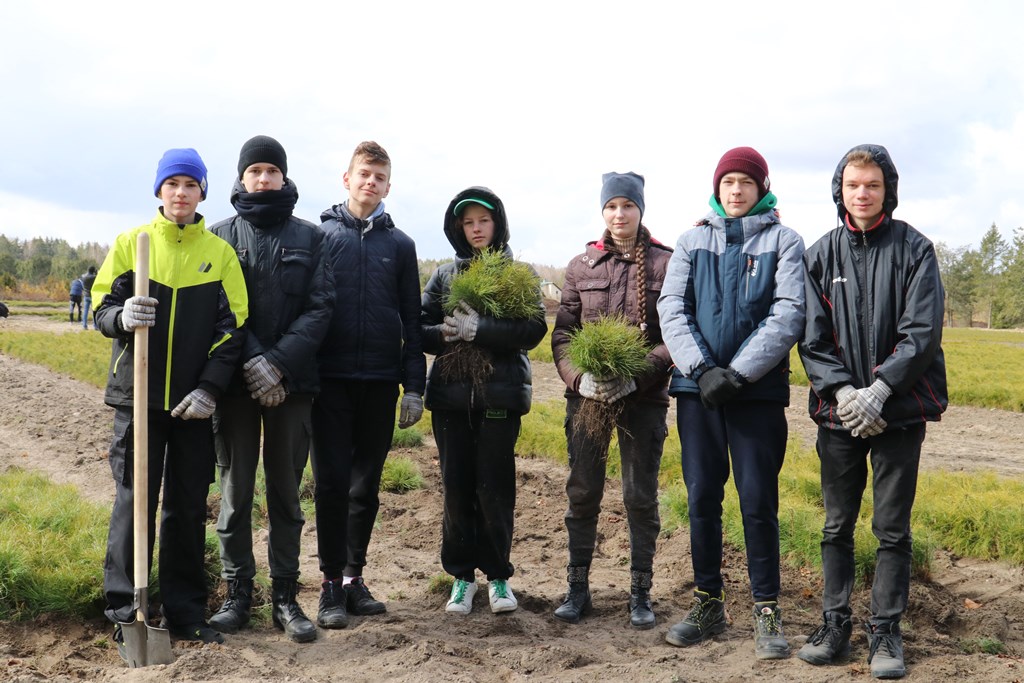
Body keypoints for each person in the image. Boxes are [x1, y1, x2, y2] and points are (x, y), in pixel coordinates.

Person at [796, 144, 947, 680]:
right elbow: (812, 340)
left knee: (891, 529)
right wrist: (843, 394)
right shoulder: (819, 254)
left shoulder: (915, 250)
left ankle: (885, 631)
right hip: (839, 418)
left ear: (888, 190)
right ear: (840, 189)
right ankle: (834, 623)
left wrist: (880, 392)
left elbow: (922, 333)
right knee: (836, 525)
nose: (862, 194)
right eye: (853, 184)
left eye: (873, 185)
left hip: (898, 413)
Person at [93, 148, 248, 653]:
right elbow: (100, 307)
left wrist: (209, 389)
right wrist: (122, 317)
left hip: (191, 407)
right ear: (159, 190)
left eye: (190, 184)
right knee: (134, 500)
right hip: (136, 399)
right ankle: (124, 609)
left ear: (203, 192)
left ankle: (184, 613)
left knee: (185, 506)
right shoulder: (130, 244)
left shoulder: (219, 253)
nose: (180, 193)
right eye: (172, 184)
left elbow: (233, 331)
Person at [656, 147, 805, 659]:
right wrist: (701, 370)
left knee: (757, 499)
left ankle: (766, 608)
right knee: (702, 497)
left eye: (746, 181)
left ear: (761, 187)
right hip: (698, 395)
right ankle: (708, 602)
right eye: (728, 182)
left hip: (756, 395)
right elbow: (672, 308)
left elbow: (788, 311)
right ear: (716, 189)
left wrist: (738, 374)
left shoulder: (785, 241)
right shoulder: (691, 241)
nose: (736, 190)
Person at [207, 135, 334, 643]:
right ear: (241, 178)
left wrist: (278, 364)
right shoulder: (217, 239)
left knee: (285, 494)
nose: (263, 179)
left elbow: (321, 306)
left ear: (284, 178)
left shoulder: (311, 238)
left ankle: (285, 597)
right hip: (234, 387)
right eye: (254, 171)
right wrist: (254, 360)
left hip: (293, 386)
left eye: (271, 172)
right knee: (235, 493)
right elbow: (222, 310)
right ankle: (238, 594)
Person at [550, 171, 674, 629]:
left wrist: (636, 379)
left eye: (627, 205)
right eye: (611, 206)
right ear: (602, 211)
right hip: (587, 402)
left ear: (640, 210)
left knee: (640, 497)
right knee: (582, 492)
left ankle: (640, 592)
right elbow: (563, 336)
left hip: (643, 403)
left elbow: (672, 339)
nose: (619, 214)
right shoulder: (582, 265)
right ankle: (577, 588)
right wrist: (579, 379)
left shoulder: (666, 264)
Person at [312, 140, 426, 628]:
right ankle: (329, 584)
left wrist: (414, 385)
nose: (370, 183)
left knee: (366, 487)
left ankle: (355, 579)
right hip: (329, 381)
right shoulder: (320, 238)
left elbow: (412, 319)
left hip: (380, 381)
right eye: (363, 174)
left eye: (379, 178)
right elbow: (307, 309)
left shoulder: (399, 246)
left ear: (388, 186)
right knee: (331, 483)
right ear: (347, 179)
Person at [420, 187, 547, 615]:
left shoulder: (520, 275)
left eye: (483, 221)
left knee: (495, 489)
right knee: (456, 489)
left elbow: (532, 329)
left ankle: (497, 577)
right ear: (458, 227)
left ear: (498, 224)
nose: (476, 229)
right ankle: (461, 578)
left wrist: (484, 329)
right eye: (468, 222)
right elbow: (418, 326)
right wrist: (443, 333)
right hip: (451, 402)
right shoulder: (443, 276)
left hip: (500, 398)